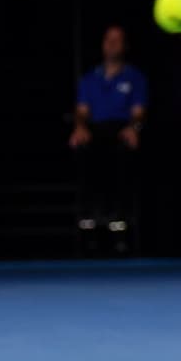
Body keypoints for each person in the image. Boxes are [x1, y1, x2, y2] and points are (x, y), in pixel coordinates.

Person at [68, 25, 147, 238]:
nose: (111, 44)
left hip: (120, 129)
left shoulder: (135, 77)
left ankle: (119, 216)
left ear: (125, 46)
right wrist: (80, 127)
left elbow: (138, 113)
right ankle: (89, 215)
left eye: (117, 40)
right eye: (108, 40)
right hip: (96, 130)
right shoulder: (89, 78)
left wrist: (134, 128)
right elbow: (82, 111)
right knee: (83, 148)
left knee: (122, 153)